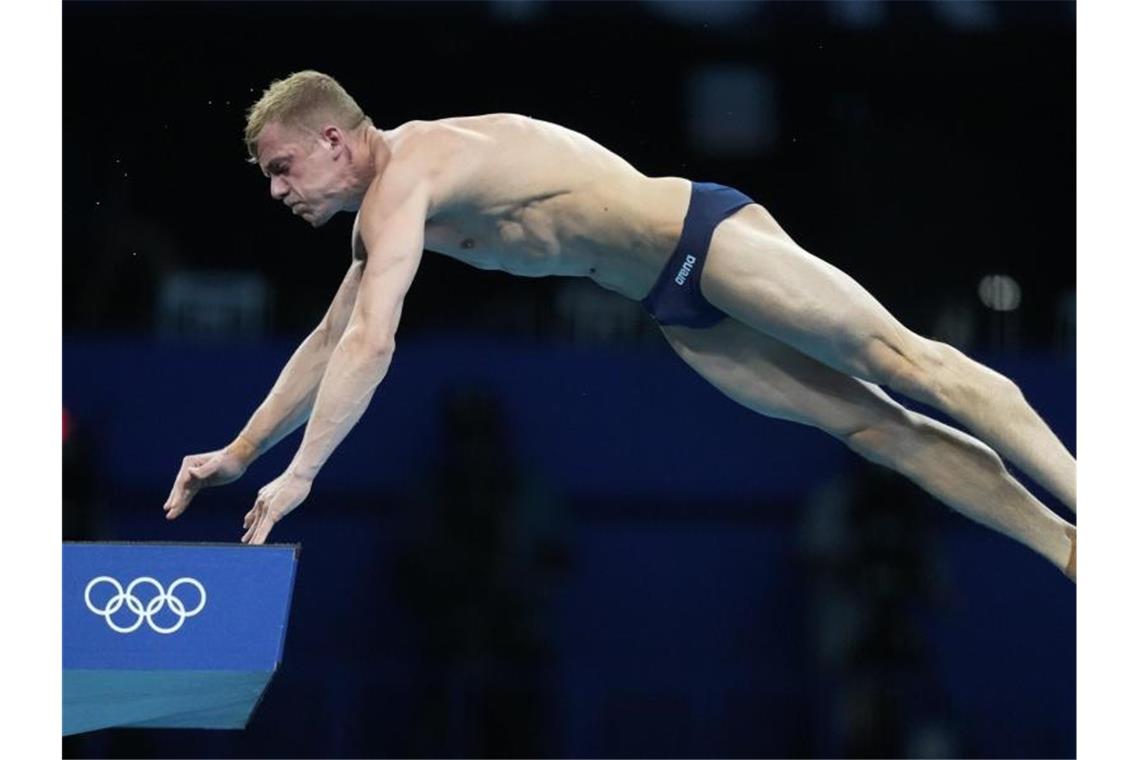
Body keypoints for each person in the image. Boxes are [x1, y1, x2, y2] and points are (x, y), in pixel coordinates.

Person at [162, 71, 1076, 580]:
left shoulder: (411, 175)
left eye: (282, 169)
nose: (279, 193)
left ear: (333, 140)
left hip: (703, 238)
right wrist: (244, 454)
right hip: (674, 308)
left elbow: (373, 342)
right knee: (878, 426)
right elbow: (329, 341)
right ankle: (1076, 556)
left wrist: (304, 474)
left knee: (904, 363)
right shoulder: (379, 220)